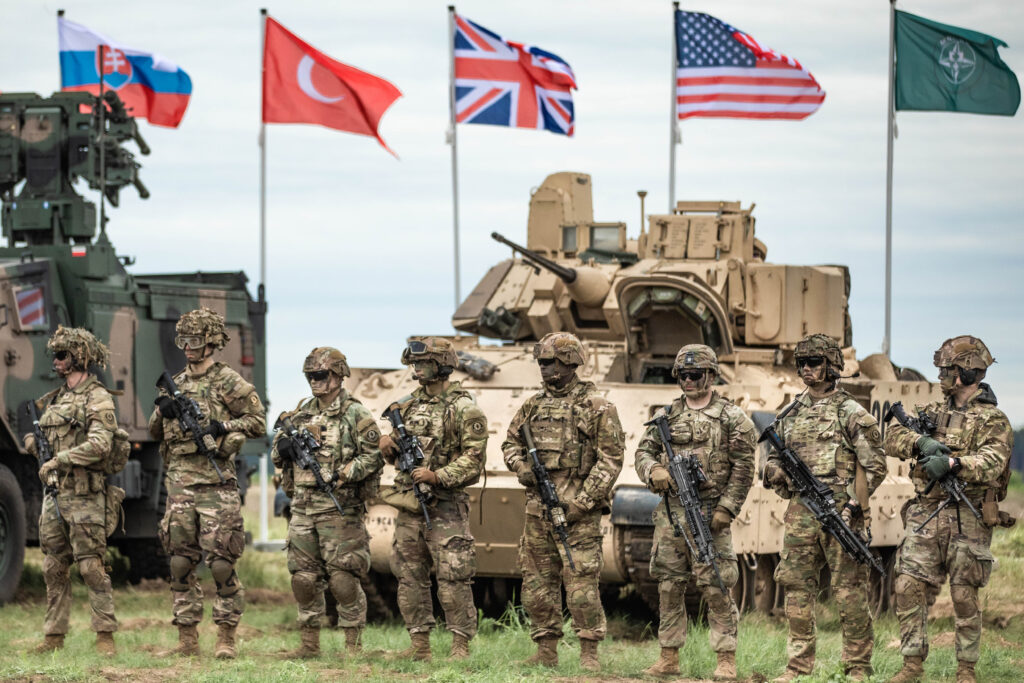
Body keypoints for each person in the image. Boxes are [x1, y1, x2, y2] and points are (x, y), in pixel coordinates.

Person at [887, 336, 1014, 683]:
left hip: (968, 517)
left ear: (967, 372)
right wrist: (920, 442)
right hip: (925, 513)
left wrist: (954, 463)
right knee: (907, 586)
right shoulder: (932, 412)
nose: (940, 376)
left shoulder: (994, 420)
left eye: (947, 370)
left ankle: (965, 670)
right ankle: (912, 666)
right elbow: (891, 437)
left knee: (964, 596)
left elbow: (992, 462)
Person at [763, 334, 886, 682]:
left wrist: (852, 505)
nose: (806, 368)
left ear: (832, 366)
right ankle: (798, 667)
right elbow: (771, 460)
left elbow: (875, 466)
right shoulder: (790, 413)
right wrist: (776, 473)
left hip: (841, 515)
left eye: (814, 362)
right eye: (802, 363)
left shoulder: (851, 413)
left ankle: (857, 667)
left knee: (850, 593)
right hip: (800, 515)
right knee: (796, 588)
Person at [501, 332, 624, 672]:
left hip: (577, 516)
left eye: (550, 362)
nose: (544, 367)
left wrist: (581, 503)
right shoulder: (533, 405)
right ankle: (545, 651)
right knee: (536, 585)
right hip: (538, 511)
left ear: (570, 362)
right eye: (541, 362)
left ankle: (589, 653)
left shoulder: (597, 407)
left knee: (582, 586)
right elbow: (510, 444)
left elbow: (611, 460)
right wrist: (521, 467)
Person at [150, 307, 266, 659]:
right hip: (180, 483)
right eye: (182, 340)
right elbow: (155, 431)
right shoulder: (176, 384)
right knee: (179, 563)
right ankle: (187, 639)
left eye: (194, 340)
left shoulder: (228, 381)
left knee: (220, 563)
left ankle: (226, 637)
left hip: (216, 484)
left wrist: (222, 427)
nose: (187, 347)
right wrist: (163, 410)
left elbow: (258, 422)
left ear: (211, 342)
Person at [634, 344, 755, 680]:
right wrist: (655, 471)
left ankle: (726, 658)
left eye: (695, 374)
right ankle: (668, 657)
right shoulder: (666, 416)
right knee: (669, 587)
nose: (688, 380)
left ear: (711, 375)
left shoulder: (732, 418)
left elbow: (744, 468)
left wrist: (727, 508)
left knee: (717, 585)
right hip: (672, 515)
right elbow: (643, 453)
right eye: (683, 375)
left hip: (710, 512)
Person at [380, 337, 486, 662]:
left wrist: (438, 476)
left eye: (424, 363)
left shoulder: (464, 408)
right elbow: (397, 450)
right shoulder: (408, 406)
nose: (417, 368)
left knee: (453, 577)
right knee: (409, 576)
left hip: (446, 506)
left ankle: (460, 647)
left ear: (442, 365)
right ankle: (419, 645)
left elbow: (474, 459)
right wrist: (386, 445)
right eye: (414, 363)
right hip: (410, 504)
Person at [273, 347, 383, 658]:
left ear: (338, 375)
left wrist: (343, 474)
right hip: (303, 507)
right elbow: (277, 454)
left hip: (339, 509)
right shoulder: (300, 413)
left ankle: (353, 648)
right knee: (303, 578)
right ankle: (309, 645)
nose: (314, 380)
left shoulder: (355, 414)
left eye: (320, 375)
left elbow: (373, 457)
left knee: (343, 578)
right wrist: (284, 448)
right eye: (310, 375)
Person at [28, 326, 124, 655]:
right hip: (56, 493)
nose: (55, 361)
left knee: (91, 567)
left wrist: (59, 460)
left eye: (62, 355)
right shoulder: (58, 398)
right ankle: (53, 637)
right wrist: (34, 444)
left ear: (79, 358)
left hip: (86, 494)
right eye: (54, 354)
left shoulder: (98, 398)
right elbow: (49, 439)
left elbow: (99, 445)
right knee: (53, 566)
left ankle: (105, 636)